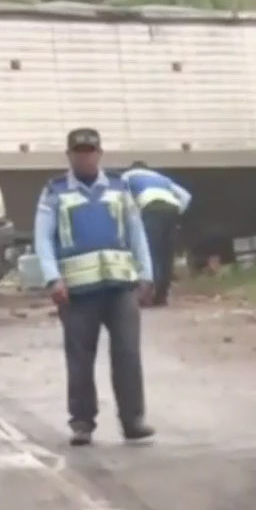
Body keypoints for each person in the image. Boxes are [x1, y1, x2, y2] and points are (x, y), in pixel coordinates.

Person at [33, 128, 157, 447]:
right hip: (76, 292)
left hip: (120, 287)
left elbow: (136, 232)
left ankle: (133, 420)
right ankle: (82, 423)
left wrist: (146, 275)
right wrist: (52, 277)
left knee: (127, 354)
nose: (85, 157)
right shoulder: (54, 191)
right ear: (69, 156)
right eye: (79, 152)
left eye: (90, 151)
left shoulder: (119, 187)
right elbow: (43, 238)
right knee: (80, 359)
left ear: (99, 153)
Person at [120, 160, 193, 307]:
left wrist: (133, 219)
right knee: (166, 254)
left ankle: (146, 295)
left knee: (151, 253)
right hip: (171, 208)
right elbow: (186, 196)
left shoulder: (127, 176)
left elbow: (123, 198)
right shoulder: (161, 178)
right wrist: (178, 212)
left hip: (150, 208)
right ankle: (162, 296)